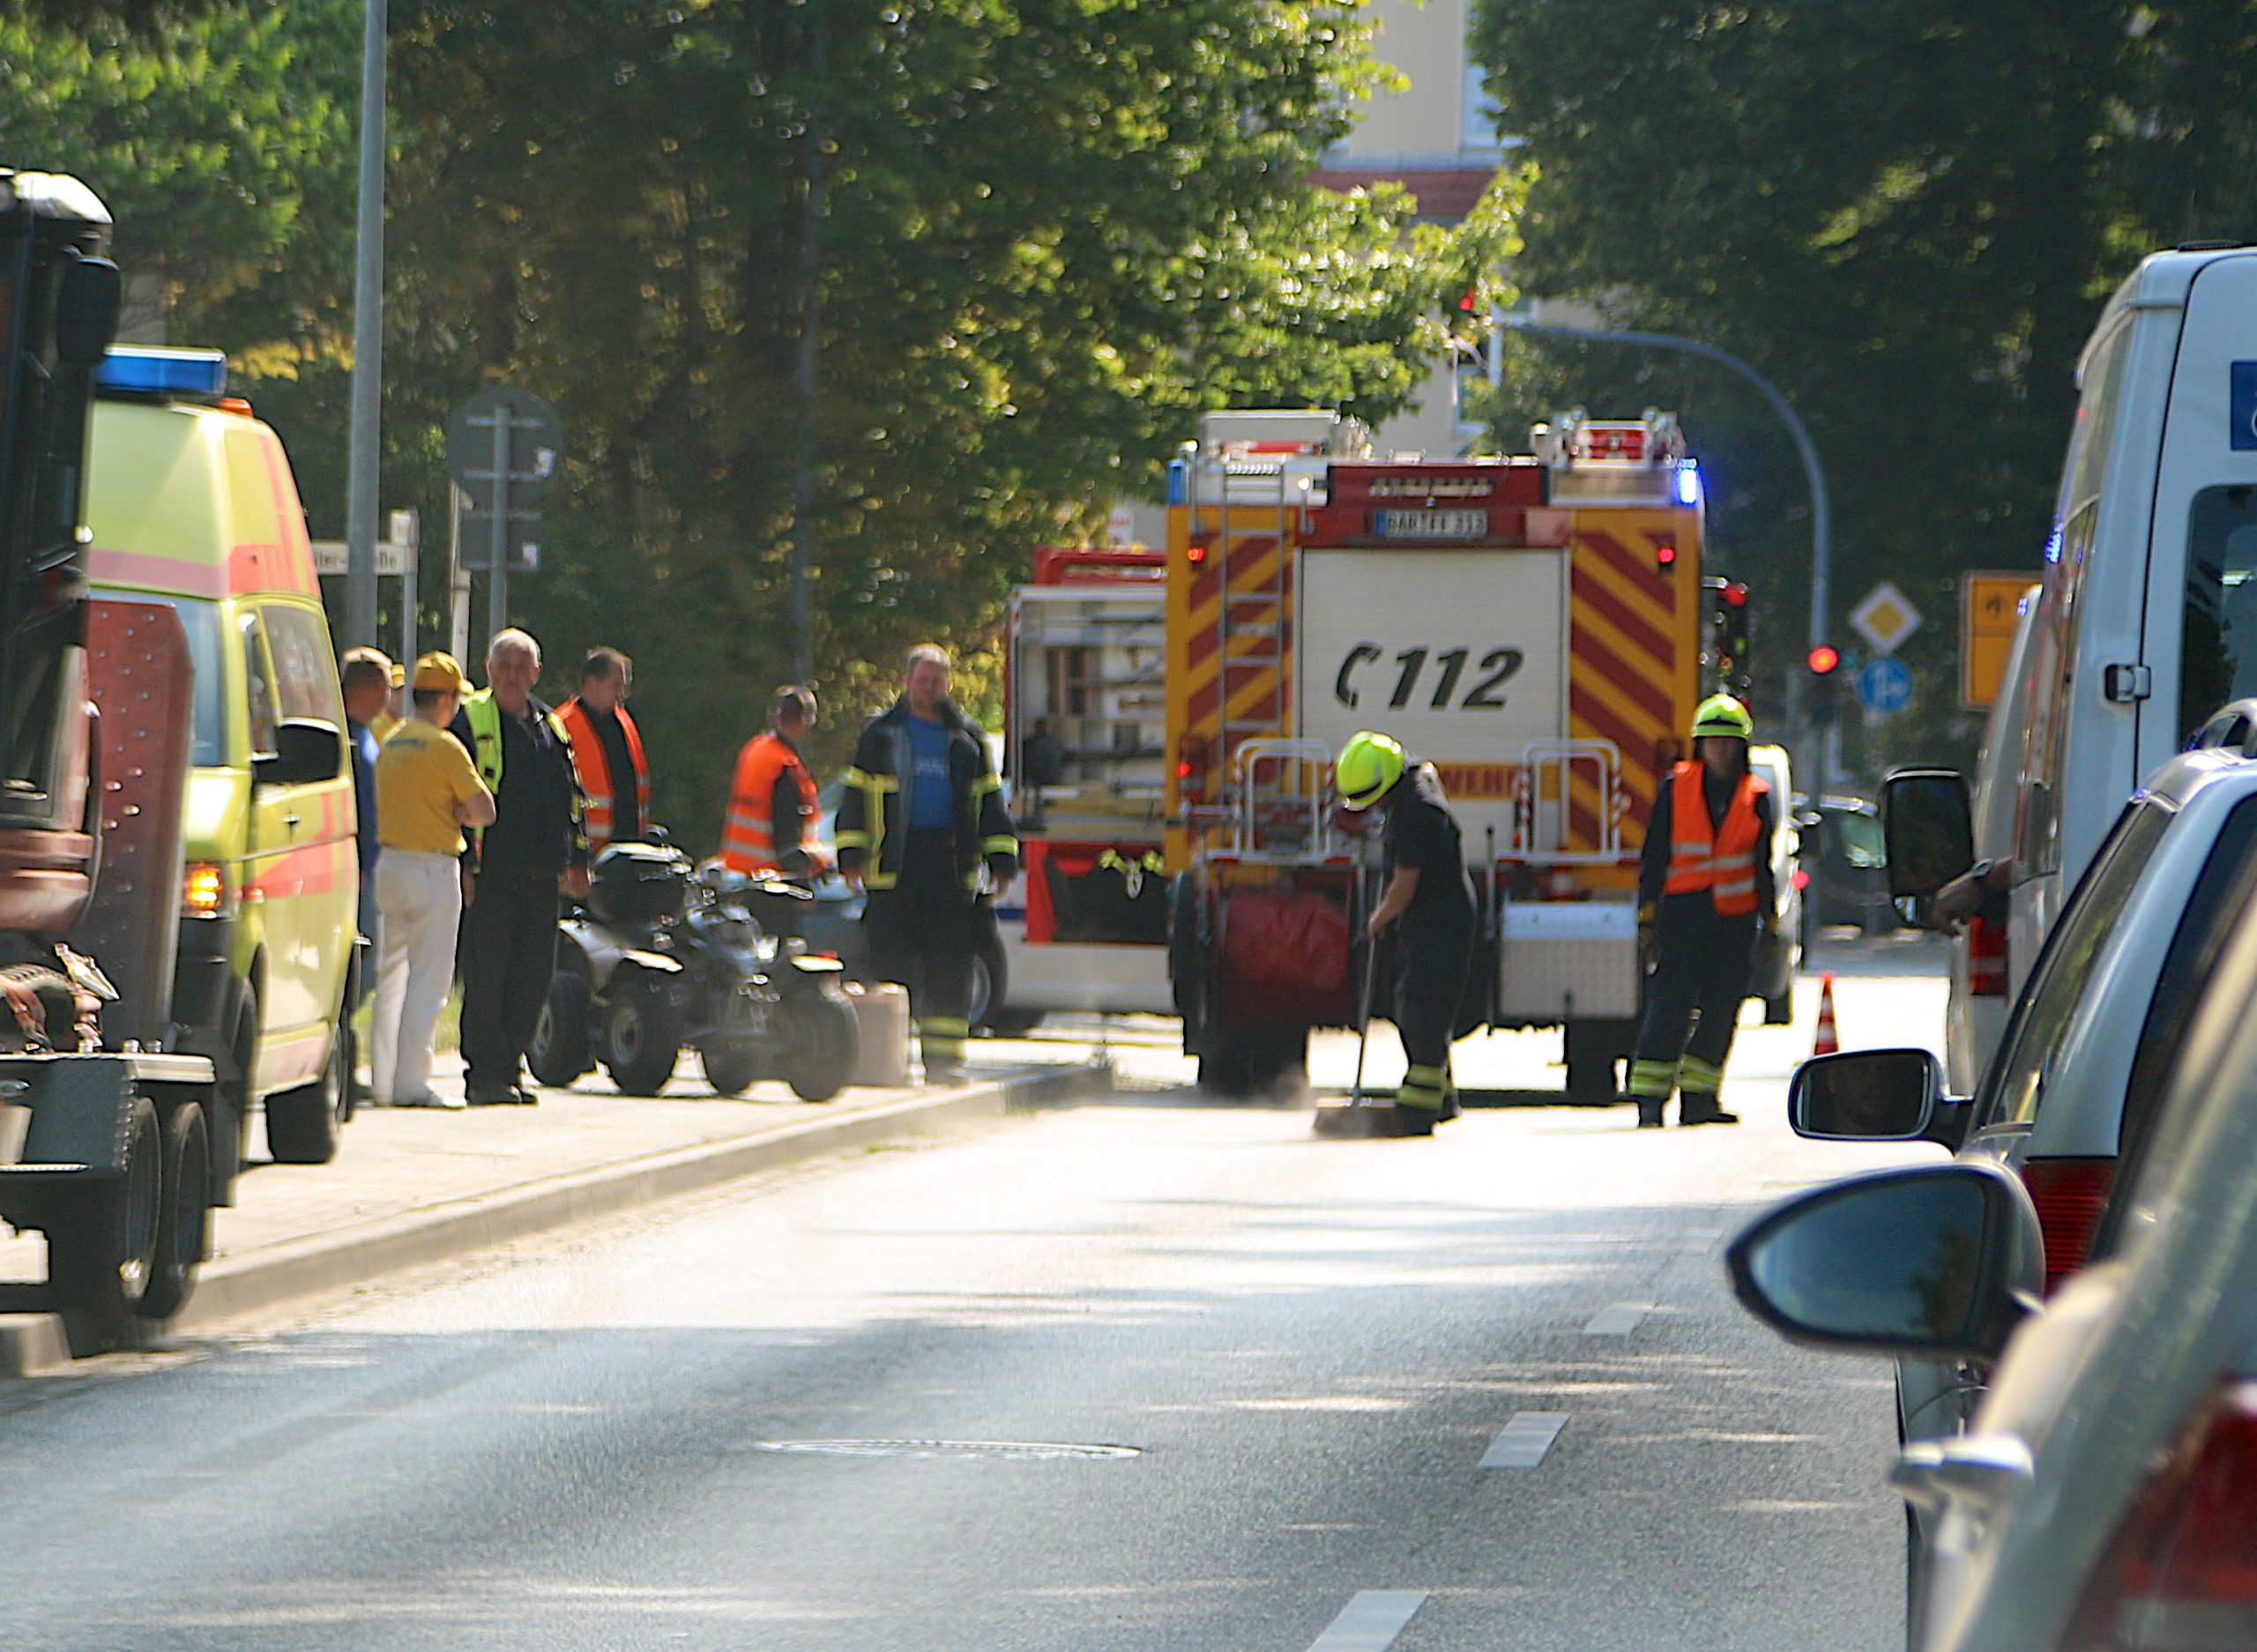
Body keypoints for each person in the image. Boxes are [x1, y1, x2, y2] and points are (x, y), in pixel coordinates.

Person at [836, 644, 1017, 1084]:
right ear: (906, 681)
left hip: (950, 867)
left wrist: (1002, 860)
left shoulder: (967, 739)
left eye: (938, 680)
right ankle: (888, 1062)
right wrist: (851, 858)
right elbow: (855, 799)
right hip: (893, 866)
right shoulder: (880, 735)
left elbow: (989, 803)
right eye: (923, 679)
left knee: (950, 963)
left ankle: (944, 1063)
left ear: (948, 685)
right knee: (891, 964)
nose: (931, 687)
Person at [1623, 694, 1777, 1127]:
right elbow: (1655, 855)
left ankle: (1700, 1099)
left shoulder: (1756, 795)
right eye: (1712, 741)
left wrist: (1771, 921)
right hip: (1683, 917)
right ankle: (1649, 1101)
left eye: (1728, 742)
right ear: (1699, 744)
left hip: (1735, 920)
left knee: (1721, 1009)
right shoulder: (1677, 787)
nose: (1720, 749)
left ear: (1741, 747)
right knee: (1668, 1006)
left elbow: (1760, 864)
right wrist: (1647, 915)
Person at [451, 629, 591, 1105]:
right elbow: (453, 796)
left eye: (521, 668)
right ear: (489, 670)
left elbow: (572, 798)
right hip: (492, 872)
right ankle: (485, 1073)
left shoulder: (552, 726)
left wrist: (577, 858)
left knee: (533, 975)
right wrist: (464, 861)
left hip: (542, 873)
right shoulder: (469, 720)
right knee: (488, 974)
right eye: (504, 667)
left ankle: (510, 1066)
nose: (513, 676)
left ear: (536, 673)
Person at [369, 653, 495, 1109]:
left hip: (389, 867)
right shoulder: (444, 747)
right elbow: (484, 810)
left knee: (390, 981)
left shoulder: (393, 741)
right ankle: (412, 1083)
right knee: (428, 983)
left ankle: (382, 1082)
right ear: (443, 698)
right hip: (433, 870)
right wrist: (459, 810)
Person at [1337, 730, 1477, 1136]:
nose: (1374, 806)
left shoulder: (1416, 812)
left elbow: (1403, 886)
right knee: (1420, 1008)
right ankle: (1443, 1098)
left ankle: (1418, 1108)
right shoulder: (1413, 780)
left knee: (1421, 1010)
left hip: (1441, 923)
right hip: (1431, 920)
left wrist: (1375, 921)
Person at [719, 685, 824, 876]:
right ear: (806, 720)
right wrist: (806, 870)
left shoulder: (755, 750)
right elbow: (786, 839)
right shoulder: (785, 765)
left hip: (737, 870)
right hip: (772, 879)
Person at [339, 646, 392, 1004]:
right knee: (365, 955)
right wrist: (357, 860)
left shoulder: (365, 734)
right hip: (358, 868)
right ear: (371, 689)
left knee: (372, 955)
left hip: (371, 864)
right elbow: (352, 806)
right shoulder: (350, 740)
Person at [559, 646, 650, 852]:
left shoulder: (623, 722)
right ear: (591, 683)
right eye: (616, 686)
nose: (622, 694)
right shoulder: (564, 725)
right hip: (584, 851)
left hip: (629, 847)